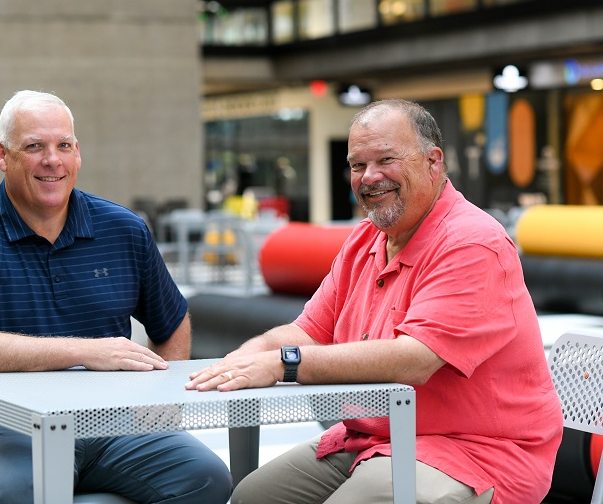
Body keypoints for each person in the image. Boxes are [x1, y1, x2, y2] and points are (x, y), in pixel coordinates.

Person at [186, 99, 563, 504]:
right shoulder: (366, 238)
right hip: (374, 438)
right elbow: (308, 331)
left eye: (386, 159)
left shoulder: (472, 242)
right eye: (357, 165)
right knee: (252, 497)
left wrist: (284, 363)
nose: (370, 177)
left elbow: (413, 360)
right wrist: (246, 357)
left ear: (433, 162)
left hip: (477, 451)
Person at [0, 90, 232, 504]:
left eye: (64, 146)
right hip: (0, 429)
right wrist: (87, 352)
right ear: (3, 155)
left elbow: (172, 320)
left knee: (207, 478)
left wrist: (161, 405)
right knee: (24, 494)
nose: (52, 160)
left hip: (111, 424)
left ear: (77, 155)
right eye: (34, 146)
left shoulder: (123, 229)